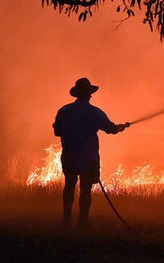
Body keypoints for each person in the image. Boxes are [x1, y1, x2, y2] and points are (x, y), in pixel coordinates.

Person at [53, 77, 129, 228]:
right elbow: (111, 129)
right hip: (88, 157)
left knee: (69, 186)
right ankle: (83, 221)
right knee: (85, 189)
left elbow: (57, 132)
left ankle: (66, 218)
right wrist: (121, 127)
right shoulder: (94, 112)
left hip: (69, 155)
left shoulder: (64, 111)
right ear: (88, 95)